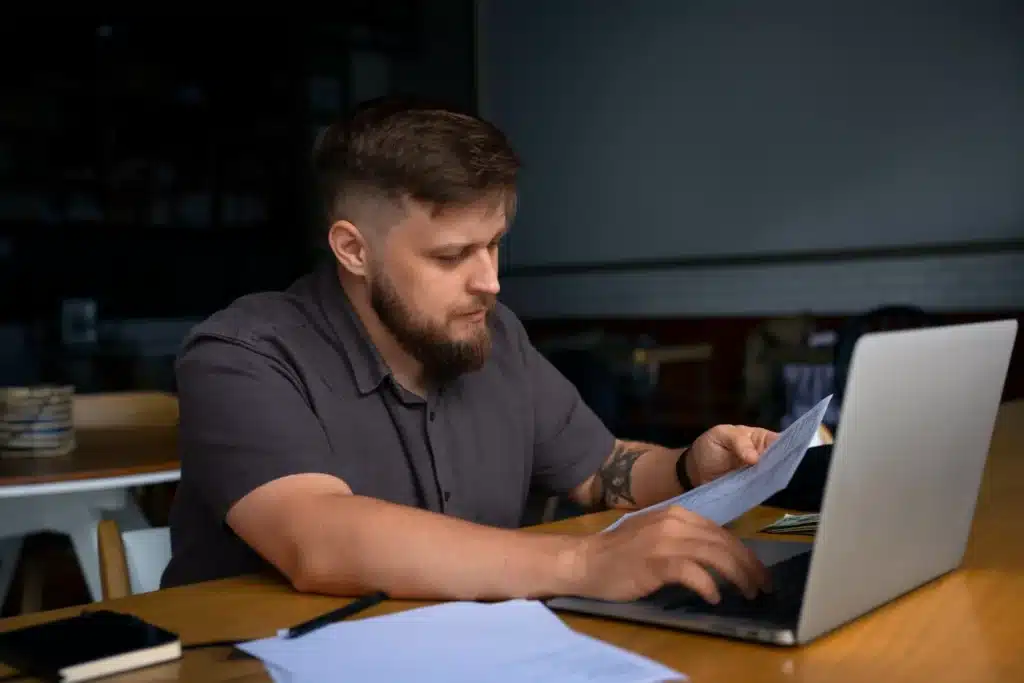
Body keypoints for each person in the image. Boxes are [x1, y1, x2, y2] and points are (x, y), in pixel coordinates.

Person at [160, 96, 778, 606]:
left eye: (495, 244)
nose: (490, 281)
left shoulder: (493, 331)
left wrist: (690, 469)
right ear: (353, 250)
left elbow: (598, 472)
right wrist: (582, 562)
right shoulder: (240, 356)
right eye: (451, 256)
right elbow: (317, 540)